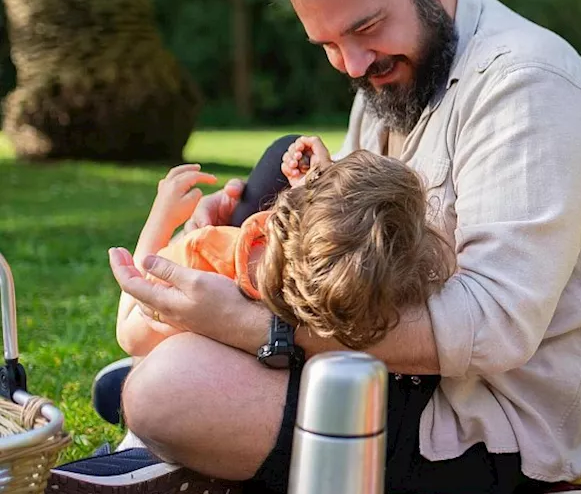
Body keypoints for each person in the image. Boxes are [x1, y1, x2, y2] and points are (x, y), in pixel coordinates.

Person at [48, 0, 581, 494]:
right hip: (392, 364)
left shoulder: (528, 88)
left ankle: (185, 424)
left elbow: (490, 328)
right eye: (329, 44)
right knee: (281, 167)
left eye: (366, 28)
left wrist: (257, 329)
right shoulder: (400, 70)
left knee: (164, 389)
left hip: (485, 427)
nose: (355, 66)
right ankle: (198, 423)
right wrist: (274, 223)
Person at [116, 149, 454, 358]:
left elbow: (130, 334)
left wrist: (161, 219)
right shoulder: (328, 297)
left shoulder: (205, 253)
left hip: (170, 372)